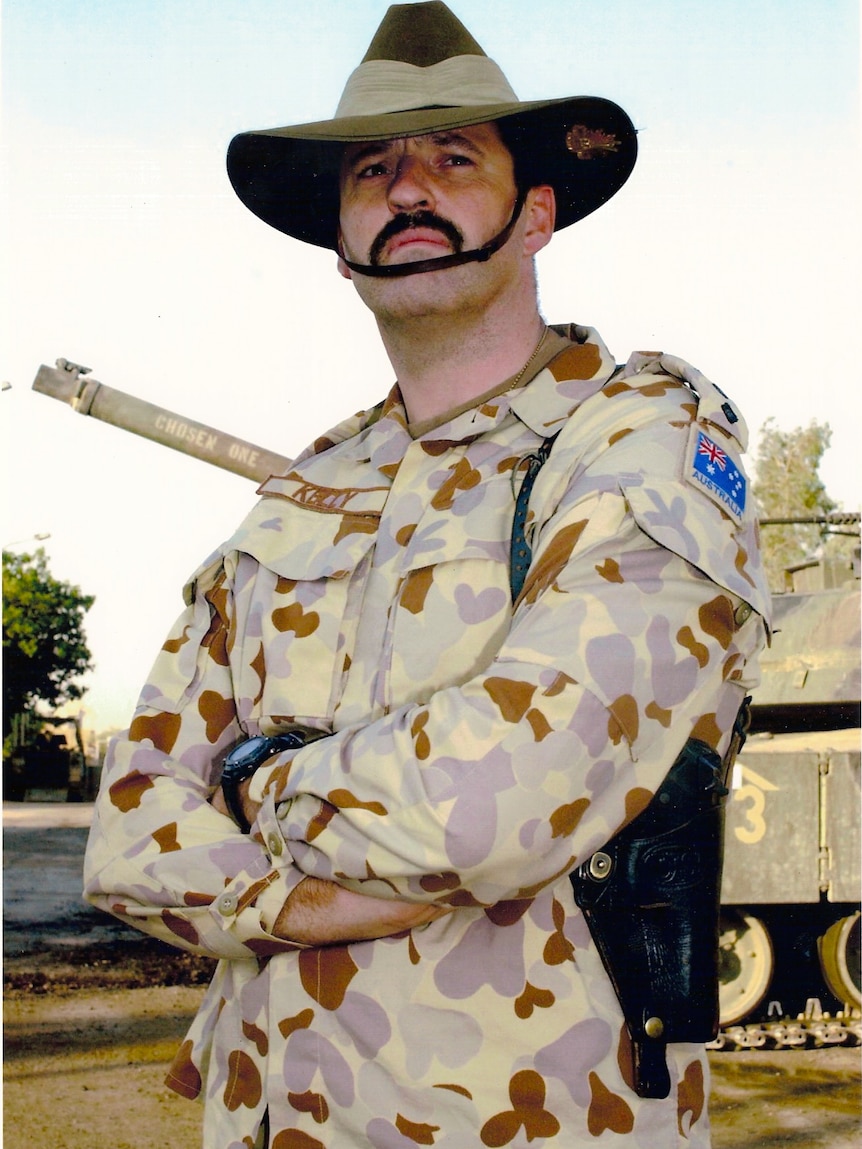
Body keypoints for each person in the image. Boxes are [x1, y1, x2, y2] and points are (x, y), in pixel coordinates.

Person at [83, 3, 771, 1146]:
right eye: (375, 169)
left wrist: (255, 790)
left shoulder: (632, 432)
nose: (409, 189)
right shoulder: (309, 489)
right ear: (340, 236)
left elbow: (499, 794)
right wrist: (300, 899)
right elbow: (126, 826)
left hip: (532, 1115)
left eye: (454, 160)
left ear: (535, 212)